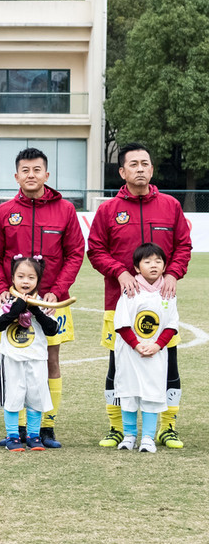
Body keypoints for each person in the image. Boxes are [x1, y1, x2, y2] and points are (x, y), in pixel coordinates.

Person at [87, 143, 191, 449]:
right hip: (118, 305)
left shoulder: (170, 206)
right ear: (122, 172)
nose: (140, 169)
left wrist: (173, 273)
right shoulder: (108, 210)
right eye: (133, 164)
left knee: (168, 363)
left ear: (152, 169)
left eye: (145, 163)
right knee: (117, 365)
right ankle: (117, 427)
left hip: (161, 305)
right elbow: (95, 250)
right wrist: (119, 272)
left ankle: (167, 426)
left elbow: (184, 247)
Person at [0, 147, 85, 448]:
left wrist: (57, 289)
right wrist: (2, 288)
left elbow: (75, 253)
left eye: (37, 169)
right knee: (15, 360)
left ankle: (46, 427)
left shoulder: (65, 210)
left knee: (50, 361)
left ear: (47, 174)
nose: (31, 175)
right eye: (25, 170)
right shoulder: (3, 212)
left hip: (52, 303)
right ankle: (17, 428)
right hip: (15, 302)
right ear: (16, 176)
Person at [113, 243, 179, 453]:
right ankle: (130, 436)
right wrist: (137, 344)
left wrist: (158, 345)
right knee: (129, 393)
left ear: (164, 266)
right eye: (147, 262)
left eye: (158, 261)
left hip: (155, 354)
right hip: (131, 353)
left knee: (152, 394)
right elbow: (122, 323)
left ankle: (148, 438)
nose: (153, 265)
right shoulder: (130, 290)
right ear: (136, 267)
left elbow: (171, 325)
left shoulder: (168, 292)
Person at [0, 256, 60, 452]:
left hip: (37, 358)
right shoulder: (7, 302)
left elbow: (51, 329)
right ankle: (13, 436)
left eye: (31, 277)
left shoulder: (43, 303)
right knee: (13, 397)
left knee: (36, 397)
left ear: (38, 280)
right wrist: (17, 308)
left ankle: (33, 435)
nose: (25, 281)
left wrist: (36, 310)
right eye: (20, 276)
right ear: (12, 278)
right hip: (12, 358)